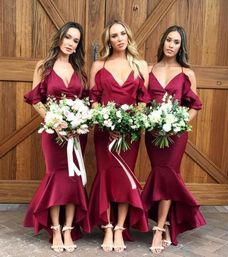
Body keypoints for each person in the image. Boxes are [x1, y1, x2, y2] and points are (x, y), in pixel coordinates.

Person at [23, 21, 90, 253]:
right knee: (55, 177)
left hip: (76, 134)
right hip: (53, 133)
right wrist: (54, 121)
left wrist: (78, 122)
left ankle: (68, 229)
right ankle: (55, 229)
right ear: (60, 37)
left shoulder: (80, 70)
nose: (71, 43)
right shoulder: (44, 66)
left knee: (72, 180)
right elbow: (35, 99)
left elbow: (86, 101)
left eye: (76, 40)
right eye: (68, 37)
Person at [141, 25, 206, 254]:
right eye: (168, 40)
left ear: (181, 46)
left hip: (176, 134)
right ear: (163, 42)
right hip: (154, 133)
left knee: (168, 174)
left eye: (176, 42)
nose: (171, 45)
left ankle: (159, 229)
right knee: (161, 175)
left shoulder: (187, 73)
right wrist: (149, 121)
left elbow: (195, 106)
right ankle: (166, 224)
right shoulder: (148, 69)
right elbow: (143, 103)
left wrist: (178, 125)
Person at [88, 19, 150, 253]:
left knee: (126, 179)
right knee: (106, 176)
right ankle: (106, 226)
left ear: (129, 36)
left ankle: (119, 228)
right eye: (114, 35)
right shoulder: (99, 65)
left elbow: (143, 101)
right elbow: (93, 100)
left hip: (130, 133)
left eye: (123, 33)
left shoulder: (140, 65)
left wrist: (130, 123)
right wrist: (105, 121)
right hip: (105, 133)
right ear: (109, 40)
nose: (120, 38)